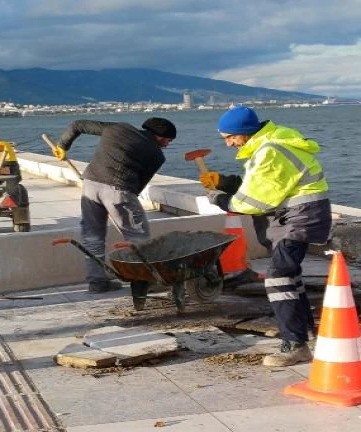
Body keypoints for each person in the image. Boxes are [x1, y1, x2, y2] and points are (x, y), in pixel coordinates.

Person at [200, 106, 331, 367]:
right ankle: (305, 331)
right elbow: (267, 186)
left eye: (230, 137)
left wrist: (222, 199)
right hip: (298, 214)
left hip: (300, 217)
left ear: (246, 133)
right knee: (289, 274)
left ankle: (295, 344)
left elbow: (254, 202)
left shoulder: (269, 152)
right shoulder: (271, 143)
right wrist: (226, 181)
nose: (228, 144)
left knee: (279, 277)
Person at [53, 118, 177, 295]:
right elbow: (139, 186)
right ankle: (143, 282)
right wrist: (120, 202)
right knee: (137, 236)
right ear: (160, 137)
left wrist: (62, 146)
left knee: (93, 237)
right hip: (120, 190)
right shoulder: (157, 155)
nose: (167, 144)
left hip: (90, 185)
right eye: (168, 140)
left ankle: (97, 282)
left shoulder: (118, 128)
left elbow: (77, 125)